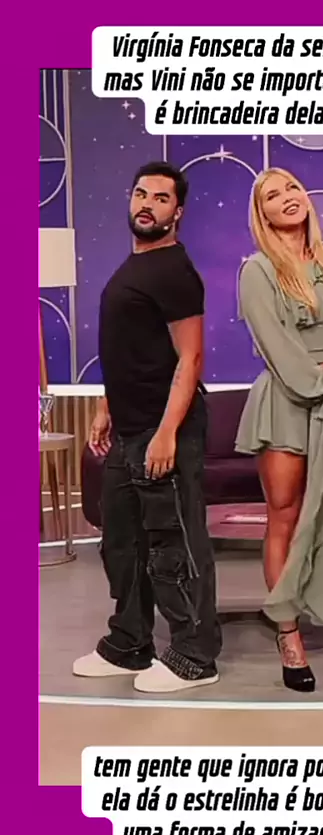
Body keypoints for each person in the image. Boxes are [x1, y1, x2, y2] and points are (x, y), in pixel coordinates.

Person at [73, 162, 222, 693]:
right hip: (128, 428)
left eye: (161, 198)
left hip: (164, 430)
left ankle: (195, 655)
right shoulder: (133, 265)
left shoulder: (175, 271)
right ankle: (129, 644)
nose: (147, 204)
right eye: (141, 194)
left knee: (173, 544)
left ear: (177, 211)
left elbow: (190, 358)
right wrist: (106, 407)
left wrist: (166, 433)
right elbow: (129, 349)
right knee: (123, 543)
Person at [236, 168, 323, 694]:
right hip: (288, 406)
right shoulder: (258, 271)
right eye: (273, 195)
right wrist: (321, 387)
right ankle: (289, 637)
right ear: (263, 215)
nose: (287, 198)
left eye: (292, 188)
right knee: (285, 519)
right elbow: (278, 346)